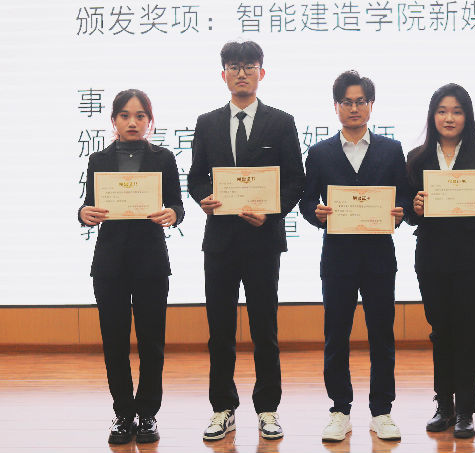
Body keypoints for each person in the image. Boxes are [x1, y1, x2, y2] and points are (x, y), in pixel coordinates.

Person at [188, 41, 304, 441]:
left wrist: (272, 212)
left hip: (262, 240)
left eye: (249, 66)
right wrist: (203, 198)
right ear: (223, 74)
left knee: (264, 330)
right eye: (234, 66)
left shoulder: (281, 122)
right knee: (219, 330)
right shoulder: (207, 122)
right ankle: (222, 408)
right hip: (220, 242)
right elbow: (196, 177)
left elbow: (295, 180)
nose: (241, 73)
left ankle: (268, 408)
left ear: (261, 73)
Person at [300, 70, 409, 442]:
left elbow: (405, 196)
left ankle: (382, 411)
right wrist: (315, 213)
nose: (354, 108)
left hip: (379, 258)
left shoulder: (391, 149)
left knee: (382, 335)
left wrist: (400, 211)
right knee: (336, 335)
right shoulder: (320, 152)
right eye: (346, 101)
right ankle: (340, 410)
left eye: (360, 101)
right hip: (338, 259)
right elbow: (306, 201)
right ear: (336, 106)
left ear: (371, 105)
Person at [78, 89, 184, 444]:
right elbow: (88, 205)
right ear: (114, 121)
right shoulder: (99, 159)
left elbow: (177, 205)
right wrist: (83, 213)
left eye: (140, 116)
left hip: (151, 262)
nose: (132, 122)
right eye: (125, 115)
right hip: (110, 264)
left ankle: (148, 413)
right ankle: (123, 413)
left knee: (152, 342)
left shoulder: (163, 158)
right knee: (114, 342)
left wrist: (173, 214)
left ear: (149, 121)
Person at [406, 83, 475, 438]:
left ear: (467, 116)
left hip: (471, 259)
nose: (449, 118)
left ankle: (465, 410)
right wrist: (415, 208)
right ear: (433, 115)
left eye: (457, 111)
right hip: (432, 258)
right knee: (440, 331)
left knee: (467, 332)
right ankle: (443, 405)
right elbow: (409, 215)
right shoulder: (417, 158)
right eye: (443, 111)